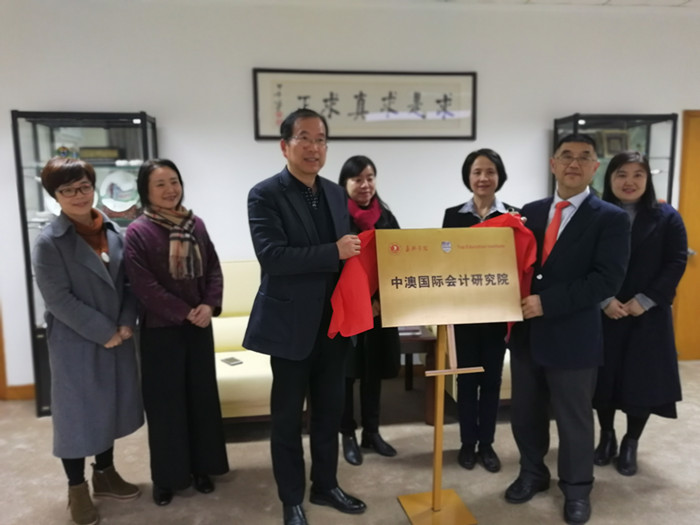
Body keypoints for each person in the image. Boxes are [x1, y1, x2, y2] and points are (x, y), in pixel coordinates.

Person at [243, 109, 366, 525]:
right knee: (286, 420)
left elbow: (347, 255)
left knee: (329, 414)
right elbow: (273, 257)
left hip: (334, 325)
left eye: (321, 139)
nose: (314, 147)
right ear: (285, 146)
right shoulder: (264, 194)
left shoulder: (334, 192)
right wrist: (334, 251)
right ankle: (291, 497)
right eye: (305, 138)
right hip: (289, 327)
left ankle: (326, 485)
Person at [505, 134, 630, 525]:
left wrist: (547, 302)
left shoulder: (610, 218)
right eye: (566, 156)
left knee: (574, 419)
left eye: (584, 157)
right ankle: (532, 473)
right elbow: (516, 265)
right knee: (525, 413)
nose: (574, 163)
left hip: (575, 336)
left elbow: (606, 280)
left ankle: (577, 489)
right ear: (553, 164)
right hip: (527, 335)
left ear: (595, 167)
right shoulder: (530, 212)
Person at [32, 157, 143, 525]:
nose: (78, 195)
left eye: (83, 187)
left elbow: (129, 284)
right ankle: (76, 488)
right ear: (55, 196)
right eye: (67, 190)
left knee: (109, 407)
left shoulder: (113, 231)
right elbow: (58, 299)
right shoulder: (49, 242)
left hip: (118, 336)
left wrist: (125, 322)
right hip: (76, 342)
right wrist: (104, 331)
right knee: (77, 417)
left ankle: (105, 474)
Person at [124, 159, 229, 507]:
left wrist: (209, 305)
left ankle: (203, 469)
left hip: (199, 328)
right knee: (166, 406)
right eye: (160, 184)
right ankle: (167, 478)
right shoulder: (137, 232)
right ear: (146, 191)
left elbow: (213, 269)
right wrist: (184, 311)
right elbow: (143, 286)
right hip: (161, 331)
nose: (170, 189)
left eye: (174, 181)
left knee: (201, 401)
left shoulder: (195, 224)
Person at [593, 151, 687, 476]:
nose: (629, 181)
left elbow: (676, 261)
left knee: (641, 383)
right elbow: (584, 261)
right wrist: (604, 300)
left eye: (638, 174)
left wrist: (646, 300)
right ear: (609, 179)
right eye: (621, 174)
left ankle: (631, 442)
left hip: (647, 315)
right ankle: (606, 435)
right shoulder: (596, 214)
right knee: (603, 381)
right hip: (605, 313)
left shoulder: (667, 216)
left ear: (648, 179)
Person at [442, 148, 519, 473]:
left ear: (499, 176)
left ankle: (486, 444)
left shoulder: (515, 216)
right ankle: (466, 443)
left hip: (497, 314)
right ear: (468, 177)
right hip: (463, 313)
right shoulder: (453, 216)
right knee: (466, 381)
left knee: (491, 381)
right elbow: (444, 261)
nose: (483, 178)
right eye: (477, 172)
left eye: (490, 171)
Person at [337, 155, 401, 466]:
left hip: (380, 310)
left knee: (373, 371)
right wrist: (361, 302)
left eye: (370, 178)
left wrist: (380, 301)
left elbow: (399, 260)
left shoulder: (386, 216)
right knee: (346, 375)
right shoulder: (336, 218)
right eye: (357, 179)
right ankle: (347, 433)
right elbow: (334, 267)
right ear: (345, 183)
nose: (365, 185)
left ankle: (372, 432)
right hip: (348, 310)